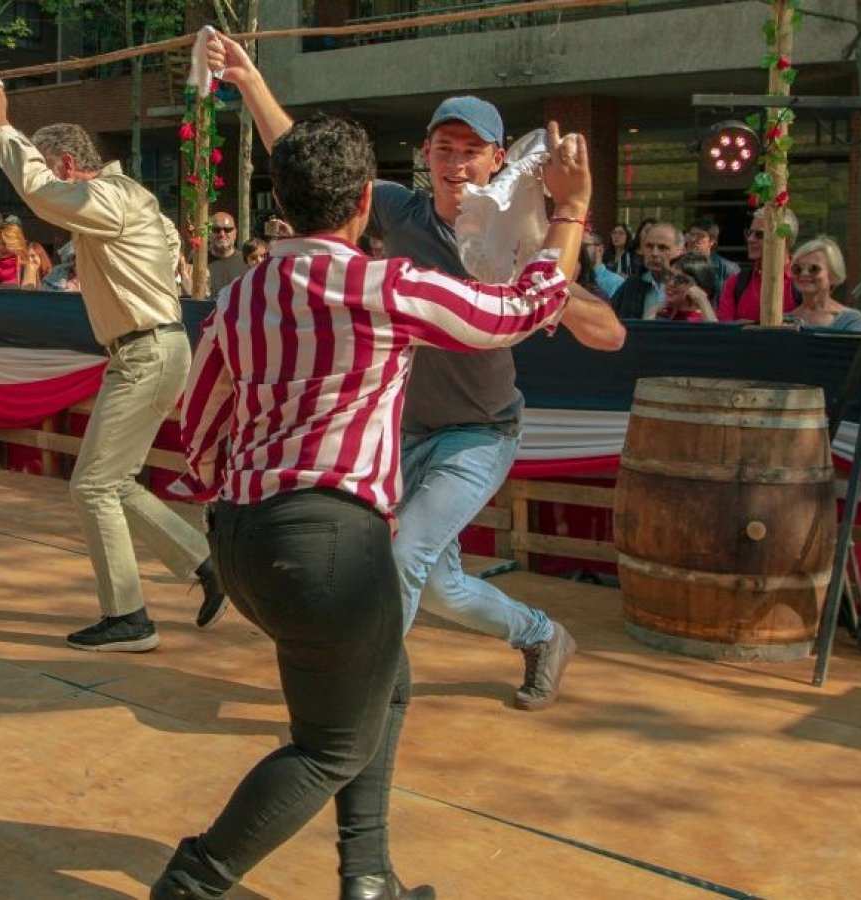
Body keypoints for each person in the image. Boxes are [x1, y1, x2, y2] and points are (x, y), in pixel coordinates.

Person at [204, 33, 625, 896]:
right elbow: (309, 167)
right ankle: (541, 635)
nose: (457, 162)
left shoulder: (525, 227)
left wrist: (546, 267)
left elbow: (607, 333)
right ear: (415, 162)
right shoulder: (389, 212)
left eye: (472, 150)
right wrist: (251, 81)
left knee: (397, 565)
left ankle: (361, 741)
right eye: (444, 147)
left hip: (478, 433)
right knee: (436, 584)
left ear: (500, 159)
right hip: (397, 437)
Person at [0, 83, 225, 650]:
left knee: (93, 485)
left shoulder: (111, 197)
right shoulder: (129, 199)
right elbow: (165, 234)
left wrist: (2, 134)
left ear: (68, 164)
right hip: (151, 349)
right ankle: (205, 564)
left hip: (145, 351)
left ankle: (130, 617)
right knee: (110, 483)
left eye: (52, 168)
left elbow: (42, 194)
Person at [716, 207, 802, 322]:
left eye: (760, 235)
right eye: (749, 233)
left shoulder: (803, 281)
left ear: (784, 239)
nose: (750, 239)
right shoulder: (736, 282)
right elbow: (726, 333)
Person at [785, 236, 861, 332]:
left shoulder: (850, 320)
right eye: (797, 268)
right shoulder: (784, 321)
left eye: (813, 268)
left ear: (832, 275)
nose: (804, 273)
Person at [653, 254, 719, 322]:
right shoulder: (661, 315)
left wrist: (702, 300)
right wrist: (652, 312)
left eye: (680, 279)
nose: (670, 283)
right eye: (668, 275)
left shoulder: (708, 319)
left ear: (699, 287)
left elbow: (715, 332)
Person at [0, 222, 41, 287]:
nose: (1, 248)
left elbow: (26, 296)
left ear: (16, 244)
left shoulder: (27, 268)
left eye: (5, 244)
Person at [205, 211, 246, 294]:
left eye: (227, 230)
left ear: (235, 233)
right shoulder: (198, 260)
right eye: (216, 230)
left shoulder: (246, 261)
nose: (222, 234)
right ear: (208, 233)